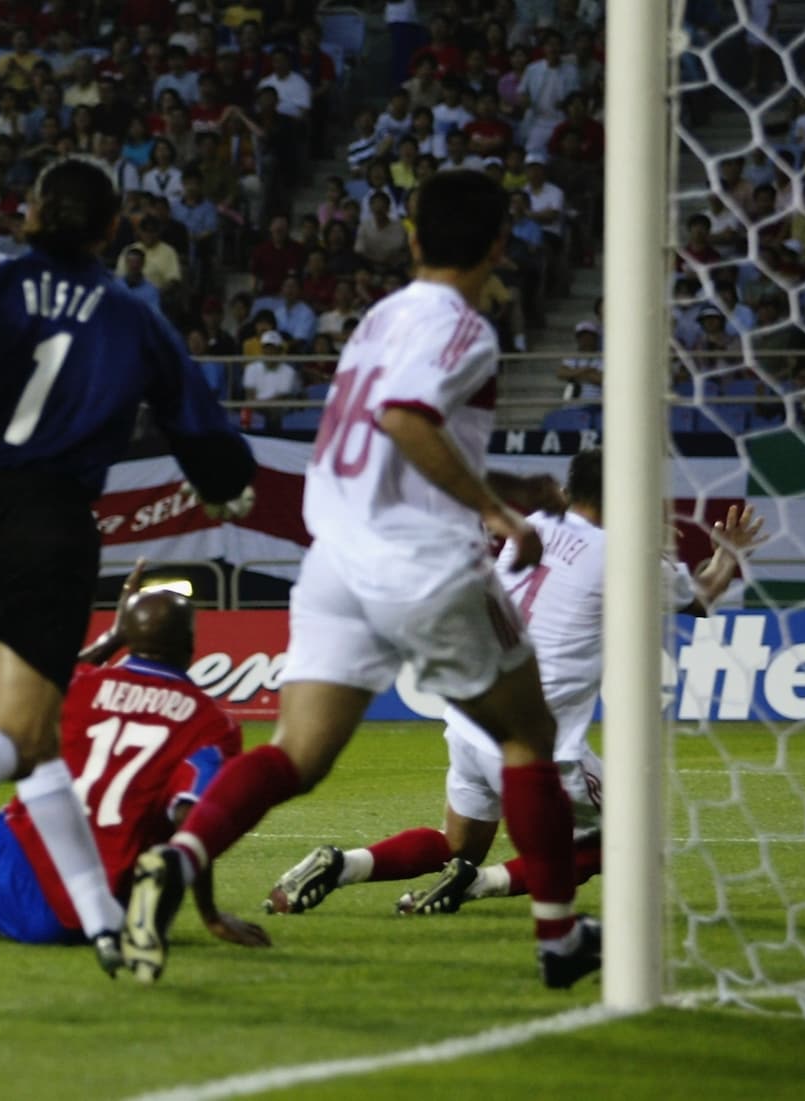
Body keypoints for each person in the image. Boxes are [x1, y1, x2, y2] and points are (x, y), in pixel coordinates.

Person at [122, 170, 603, 990]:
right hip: (418, 560)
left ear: (412, 239)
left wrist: (505, 487)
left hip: (335, 557)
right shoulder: (466, 327)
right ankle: (559, 937)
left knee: (297, 753)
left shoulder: (381, 317)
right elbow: (406, 418)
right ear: (499, 246)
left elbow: (399, 431)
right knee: (526, 736)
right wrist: (495, 511)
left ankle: (179, 857)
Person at [0, 158, 257, 976]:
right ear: (111, 232)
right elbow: (201, 434)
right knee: (24, 733)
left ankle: (105, 930)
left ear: (29, 213)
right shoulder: (134, 317)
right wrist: (224, 487)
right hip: (49, 529)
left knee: (38, 747)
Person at [273, 452, 765, 916]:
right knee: (626, 840)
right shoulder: (622, 554)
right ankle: (480, 884)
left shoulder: (534, 527)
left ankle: (343, 864)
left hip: (473, 722)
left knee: (457, 846)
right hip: (539, 743)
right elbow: (697, 599)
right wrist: (727, 554)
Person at [0, 569, 266, 954]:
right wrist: (210, 914)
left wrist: (113, 637)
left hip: (5, 873)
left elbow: (35, 674)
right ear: (191, 643)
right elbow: (189, 818)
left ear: (129, 637)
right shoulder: (212, 725)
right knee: (141, 847)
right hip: (95, 909)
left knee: (32, 799)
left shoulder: (75, 685)